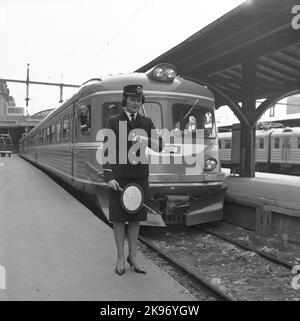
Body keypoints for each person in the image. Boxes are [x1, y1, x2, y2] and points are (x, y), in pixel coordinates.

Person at [103, 84, 164, 275]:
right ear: (125, 100)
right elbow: (107, 151)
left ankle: (134, 257)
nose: (136, 103)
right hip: (119, 177)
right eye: (132, 99)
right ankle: (121, 257)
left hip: (139, 177)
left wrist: (147, 140)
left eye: (139, 100)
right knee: (119, 219)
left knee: (136, 219)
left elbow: (160, 146)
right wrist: (109, 176)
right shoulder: (113, 121)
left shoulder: (147, 122)